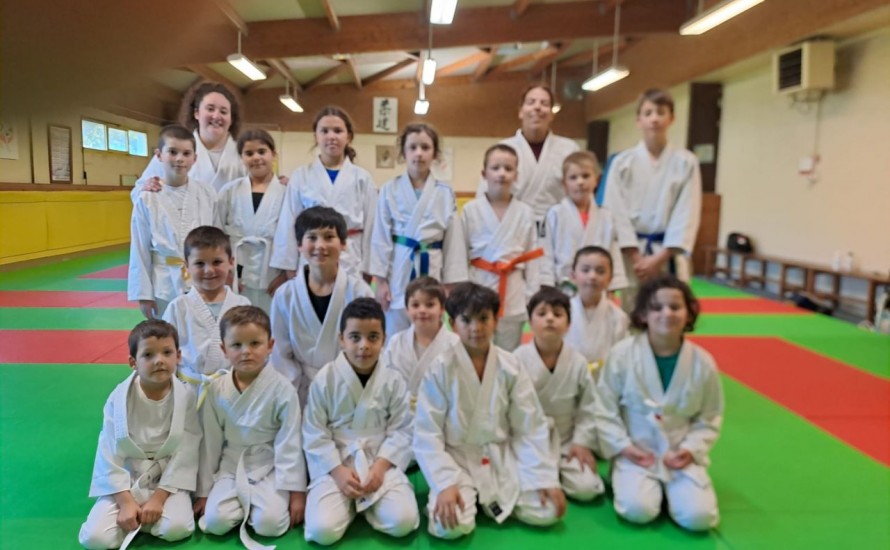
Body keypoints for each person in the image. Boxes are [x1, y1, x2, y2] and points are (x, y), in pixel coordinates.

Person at [413, 282, 565, 539]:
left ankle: (485, 499)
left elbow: (529, 425)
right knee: (449, 527)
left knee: (548, 511)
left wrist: (543, 478)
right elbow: (427, 433)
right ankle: (467, 497)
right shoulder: (440, 368)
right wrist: (445, 483)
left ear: (496, 319)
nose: (476, 328)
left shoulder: (511, 365)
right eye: (467, 320)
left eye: (484, 318)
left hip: (498, 457)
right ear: (452, 323)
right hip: (457, 459)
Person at [595, 275, 723, 531]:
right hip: (637, 453)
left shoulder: (703, 362)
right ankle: (644, 485)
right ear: (643, 315)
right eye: (657, 307)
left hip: (679, 456)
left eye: (675, 307)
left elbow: (710, 416)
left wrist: (690, 449)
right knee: (637, 510)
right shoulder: (622, 355)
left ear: (689, 314)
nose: (667, 313)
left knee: (699, 519)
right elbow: (604, 408)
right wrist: (622, 446)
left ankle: (674, 491)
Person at [302, 298, 420, 544]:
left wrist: (380, 468)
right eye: (355, 337)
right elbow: (315, 432)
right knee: (322, 530)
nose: (363, 346)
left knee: (403, 521)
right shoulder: (325, 379)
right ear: (341, 339)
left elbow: (403, 429)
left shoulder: (393, 379)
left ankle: (364, 506)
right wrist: (338, 472)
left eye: (373, 337)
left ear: (383, 339)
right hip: (337, 463)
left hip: (379, 460)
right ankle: (353, 503)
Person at [78, 320, 200, 550]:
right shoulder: (119, 397)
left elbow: (188, 447)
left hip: (167, 480)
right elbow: (108, 449)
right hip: (129, 478)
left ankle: (143, 515)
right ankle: (136, 514)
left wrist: (158, 498)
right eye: (148, 355)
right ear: (133, 362)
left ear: (179, 356)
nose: (159, 360)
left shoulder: (186, 395)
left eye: (167, 352)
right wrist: (125, 502)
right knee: (94, 539)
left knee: (177, 529)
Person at [195, 306, 307, 548]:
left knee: (271, 525)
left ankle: (254, 506)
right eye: (236, 345)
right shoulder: (217, 389)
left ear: (270, 345)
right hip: (231, 465)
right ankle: (243, 505)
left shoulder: (283, 389)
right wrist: (204, 490)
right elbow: (211, 442)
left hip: (270, 465)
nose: (246, 352)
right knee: (214, 522)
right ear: (224, 349)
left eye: (255, 343)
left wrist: (297, 492)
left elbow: (290, 443)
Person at [602, 88, 703, 310]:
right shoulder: (622, 163)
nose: (654, 119)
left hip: (668, 252)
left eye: (660, 112)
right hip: (632, 253)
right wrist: (637, 258)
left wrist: (660, 258)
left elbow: (687, 211)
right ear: (638, 120)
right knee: (633, 311)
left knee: (670, 313)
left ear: (671, 118)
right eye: (648, 113)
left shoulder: (686, 162)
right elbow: (614, 210)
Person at [270, 206, 373, 405]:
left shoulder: (360, 292)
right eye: (312, 237)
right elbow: (280, 355)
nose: (320, 245)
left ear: (343, 243)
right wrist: (288, 399)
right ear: (300, 244)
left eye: (328, 237)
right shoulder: (285, 295)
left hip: (349, 389)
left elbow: (369, 347)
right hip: (300, 392)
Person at [447, 143, 542, 351]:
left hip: (514, 291)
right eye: (496, 168)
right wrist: (460, 291)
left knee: (510, 352)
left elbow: (533, 256)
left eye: (508, 169)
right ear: (484, 173)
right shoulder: (471, 210)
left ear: (516, 175)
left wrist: (532, 295)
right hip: (479, 284)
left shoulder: (525, 212)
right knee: (475, 347)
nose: (502, 174)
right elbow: (460, 254)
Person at [370, 122, 462, 334]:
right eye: (412, 147)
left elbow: (453, 241)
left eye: (425, 147)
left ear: (435, 153)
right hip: (399, 269)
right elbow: (381, 236)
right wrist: (381, 282)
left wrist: (449, 286)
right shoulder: (389, 189)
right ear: (403, 152)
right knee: (396, 333)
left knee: (431, 329)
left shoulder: (445, 192)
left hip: (432, 264)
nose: (418, 153)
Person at [513, 286, 604, 501]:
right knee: (527, 492)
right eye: (542, 314)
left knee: (587, 490)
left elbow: (588, 406)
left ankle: (557, 472)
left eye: (558, 314)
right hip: (529, 439)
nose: (550, 319)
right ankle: (545, 474)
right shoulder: (517, 359)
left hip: (566, 439)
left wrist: (582, 442)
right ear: (530, 321)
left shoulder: (578, 362)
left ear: (568, 324)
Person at [271, 106, 377, 280]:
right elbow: (288, 222)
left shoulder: (362, 178)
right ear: (316, 136)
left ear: (348, 136)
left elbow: (373, 225)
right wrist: (288, 264)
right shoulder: (301, 176)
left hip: (350, 257)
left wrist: (369, 266)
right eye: (325, 131)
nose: (331, 136)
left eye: (338, 131)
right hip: (311, 253)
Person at [127, 125, 216, 320]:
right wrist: (143, 294)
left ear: (195, 158)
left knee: (200, 340)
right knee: (167, 340)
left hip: (202, 279)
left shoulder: (207, 193)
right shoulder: (147, 198)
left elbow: (216, 239)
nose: (179, 159)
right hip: (163, 283)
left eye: (186, 153)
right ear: (159, 155)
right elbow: (139, 248)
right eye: (172, 152)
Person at [162, 226, 250, 394]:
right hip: (189, 391)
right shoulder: (178, 306)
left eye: (217, 262)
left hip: (232, 389)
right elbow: (165, 351)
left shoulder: (242, 304)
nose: (209, 270)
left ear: (231, 262)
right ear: (187, 266)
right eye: (200, 263)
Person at [478, 84, 579, 228]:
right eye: (531, 102)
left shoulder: (569, 149)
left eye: (544, 104)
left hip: (557, 228)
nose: (537, 107)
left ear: (551, 114)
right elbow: (486, 194)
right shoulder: (502, 150)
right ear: (520, 112)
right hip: (512, 228)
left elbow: (580, 195)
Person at [216, 129, 288, 312]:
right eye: (249, 153)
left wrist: (287, 275)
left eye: (262, 151)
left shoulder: (287, 192)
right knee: (238, 325)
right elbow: (216, 234)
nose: (256, 157)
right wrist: (223, 271)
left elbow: (295, 237)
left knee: (271, 328)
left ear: (274, 155)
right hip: (236, 272)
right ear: (241, 158)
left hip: (273, 273)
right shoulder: (229, 191)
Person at [541, 150, 629, 293]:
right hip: (564, 287)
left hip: (599, 286)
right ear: (564, 183)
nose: (580, 182)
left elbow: (614, 255)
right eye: (573, 178)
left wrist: (615, 290)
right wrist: (547, 287)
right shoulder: (555, 214)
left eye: (586, 176)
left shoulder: (606, 216)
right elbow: (546, 254)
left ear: (597, 180)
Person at [135, 81, 246, 194]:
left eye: (223, 111)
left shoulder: (244, 154)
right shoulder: (172, 149)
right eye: (210, 109)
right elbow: (139, 191)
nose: (217, 116)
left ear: (231, 119)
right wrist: (147, 187)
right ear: (197, 113)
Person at [381, 276, 459, 420]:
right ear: (407, 309)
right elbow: (385, 383)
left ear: (442, 309)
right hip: (400, 417)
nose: (422, 310)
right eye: (415, 305)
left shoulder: (455, 344)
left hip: (441, 417)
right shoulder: (396, 342)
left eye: (430, 305)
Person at [564, 246, 630, 375]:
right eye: (585, 270)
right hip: (568, 380)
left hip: (606, 382)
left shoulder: (618, 317)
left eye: (600, 271)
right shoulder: (562, 313)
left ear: (610, 278)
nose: (592, 276)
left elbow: (624, 356)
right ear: (573, 276)